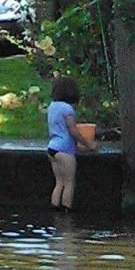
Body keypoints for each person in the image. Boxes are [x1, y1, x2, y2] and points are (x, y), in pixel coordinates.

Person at [46, 77, 95, 211]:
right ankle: (67, 213)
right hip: (65, 150)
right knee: (69, 184)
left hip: (52, 148)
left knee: (59, 183)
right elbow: (73, 131)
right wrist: (89, 145)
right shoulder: (67, 109)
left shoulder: (52, 106)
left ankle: (55, 212)